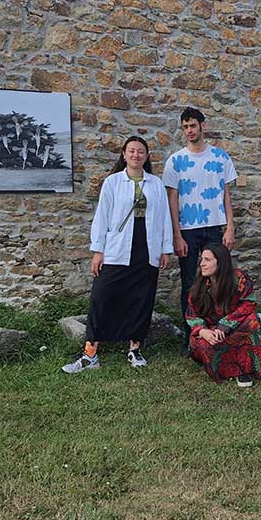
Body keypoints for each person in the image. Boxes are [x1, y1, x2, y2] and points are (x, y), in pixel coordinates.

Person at [62, 136, 173, 373]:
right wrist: (98, 250)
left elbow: (165, 219)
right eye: (131, 151)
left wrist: (166, 249)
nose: (136, 155)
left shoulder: (156, 184)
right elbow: (102, 216)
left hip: (147, 248)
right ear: (124, 154)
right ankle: (90, 354)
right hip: (117, 248)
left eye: (141, 151)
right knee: (102, 297)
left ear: (146, 156)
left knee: (141, 299)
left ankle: (134, 349)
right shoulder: (112, 182)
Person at [162, 107, 237, 353]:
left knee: (218, 281)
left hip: (215, 227)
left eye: (192, 125)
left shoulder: (221, 158)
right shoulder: (175, 161)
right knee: (188, 284)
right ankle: (191, 339)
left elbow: (226, 195)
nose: (189, 131)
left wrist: (230, 227)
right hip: (188, 230)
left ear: (202, 126)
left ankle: (218, 334)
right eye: (185, 127)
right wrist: (176, 235)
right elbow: (172, 199)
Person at [186, 243, 261, 387]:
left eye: (207, 260)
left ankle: (243, 370)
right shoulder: (199, 284)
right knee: (202, 343)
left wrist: (225, 324)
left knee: (252, 321)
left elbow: (248, 303)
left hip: (234, 326)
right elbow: (191, 314)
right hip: (210, 330)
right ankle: (227, 369)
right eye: (202, 259)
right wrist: (203, 330)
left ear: (220, 262)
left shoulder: (238, 278)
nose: (202, 264)